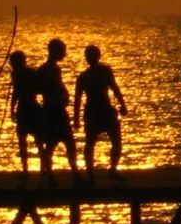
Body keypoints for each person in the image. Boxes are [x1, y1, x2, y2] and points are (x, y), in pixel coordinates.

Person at [74, 43, 129, 174]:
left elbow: (114, 88)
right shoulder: (87, 76)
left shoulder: (93, 74)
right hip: (97, 111)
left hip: (101, 110)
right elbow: (78, 99)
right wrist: (76, 119)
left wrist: (123, 104)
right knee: (94, 143)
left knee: (109, 142)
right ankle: (98, 171)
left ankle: (105, 170)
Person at [34, 38, 79, 177]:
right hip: (54, 110)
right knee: (61, 144)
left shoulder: (52, 69)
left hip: (55, 109)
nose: (64, 55)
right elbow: (40, 88)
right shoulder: (47, 69)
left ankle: (57, 174)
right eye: (62, 51)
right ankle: (54, 174)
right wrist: (57, 95)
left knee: (61, 144)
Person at [7, 50, 41, 172]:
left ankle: (38, 169)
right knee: (24, 139)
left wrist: (12, 108)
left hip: (29, 107)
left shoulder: (27, 73)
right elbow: (16, 92)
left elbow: (18, 91)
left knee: (34, 139)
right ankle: (27, 169)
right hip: (25, 107)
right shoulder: (17, 74)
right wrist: (12, 108)